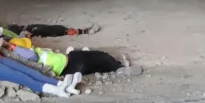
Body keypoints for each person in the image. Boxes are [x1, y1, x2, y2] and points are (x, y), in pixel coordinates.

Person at [8, 38, 139, 90]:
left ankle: (115, 68)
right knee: (100, 56)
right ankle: (119, 68)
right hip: (71, 62)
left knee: (95, 65)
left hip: (69, 66)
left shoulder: (31, 53)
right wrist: (12, 46)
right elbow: (31, 55)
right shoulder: (31, 54)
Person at [0, 22, 101, 40]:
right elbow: (16, 40)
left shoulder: (1, 30)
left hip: (26, 28)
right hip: (28, 32)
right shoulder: (1, 37)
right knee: (52, 29)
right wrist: (24, 35)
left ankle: (80, 31)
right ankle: (83, 32)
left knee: (53, 28)